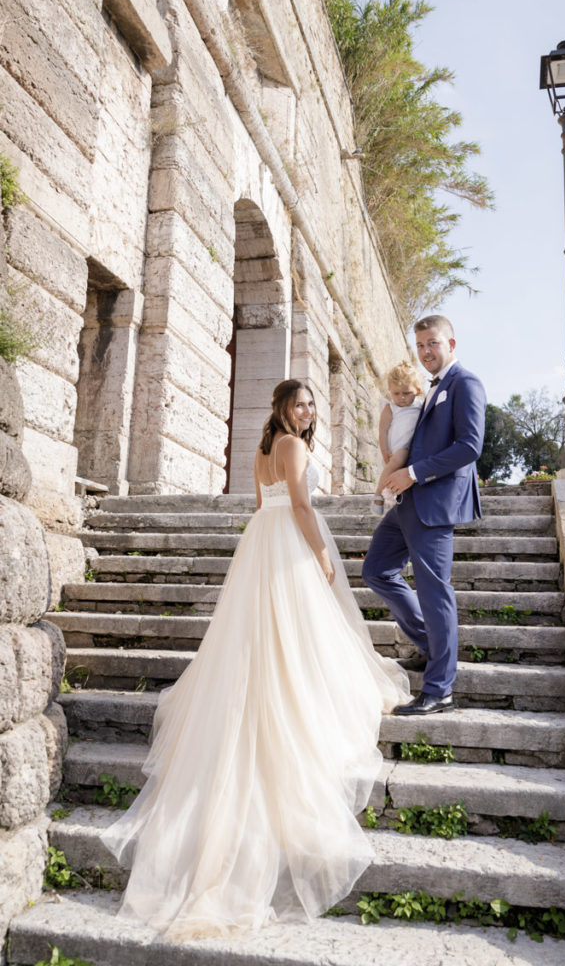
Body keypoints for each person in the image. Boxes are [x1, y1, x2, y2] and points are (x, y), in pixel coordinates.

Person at [101, 380, 410, 939]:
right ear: (283, 409)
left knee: (271, 635)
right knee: (296, 632)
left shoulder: (262, 449)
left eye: (312, 403)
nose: (308, 410)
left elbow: (264, 500)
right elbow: (298, 504)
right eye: (300, 403)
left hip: (260, 541)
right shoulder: (292, 446)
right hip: (288, 538)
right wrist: (320, 553)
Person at [362, 315, 486, 717]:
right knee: (377, 570)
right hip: (408, 501)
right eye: (420, 346)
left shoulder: (464, 383)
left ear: (451, 342)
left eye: (432, 343)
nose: (426, 351)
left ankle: (439, 689)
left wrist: (412, 472)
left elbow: (469, 446)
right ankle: (431, 648)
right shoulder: (430, 389)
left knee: (435, 595)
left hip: (432, 501)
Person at [372, 360, 424, 515]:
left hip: (413, 446)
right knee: (399, 460)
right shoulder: (390, 408)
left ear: (418, 390)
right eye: (396, 393)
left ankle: (391, 495)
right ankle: (378, 494)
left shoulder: (420, 406)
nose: (401, 398)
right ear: (390, 391)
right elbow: (382, 431)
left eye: (407, 393)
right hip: (398, 447)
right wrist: (384, 451)